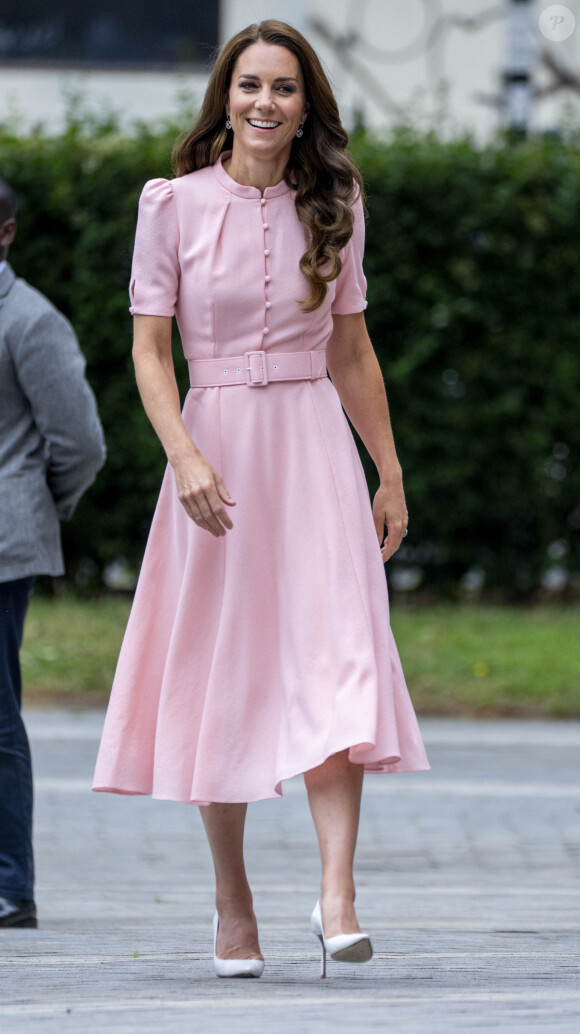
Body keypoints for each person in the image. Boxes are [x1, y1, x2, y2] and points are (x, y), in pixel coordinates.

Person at [93, 19, 429, 978]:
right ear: (225, 97)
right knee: (223, 671)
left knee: (340, 662)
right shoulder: (173, 206)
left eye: (284, 88)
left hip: (317, 450)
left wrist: (389, 470)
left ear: (306, 103)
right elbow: (148, 350)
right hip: (217, 455)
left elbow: (353, 350)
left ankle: (337, 896)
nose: (265, 104)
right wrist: (184, 456)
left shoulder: (337, 202)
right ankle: (232, 903)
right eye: (250, 86)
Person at [0, 178, 106, 928]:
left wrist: (36, 509)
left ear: (6, 233)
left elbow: (82, 444)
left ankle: (11, 886)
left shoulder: (31, 322)